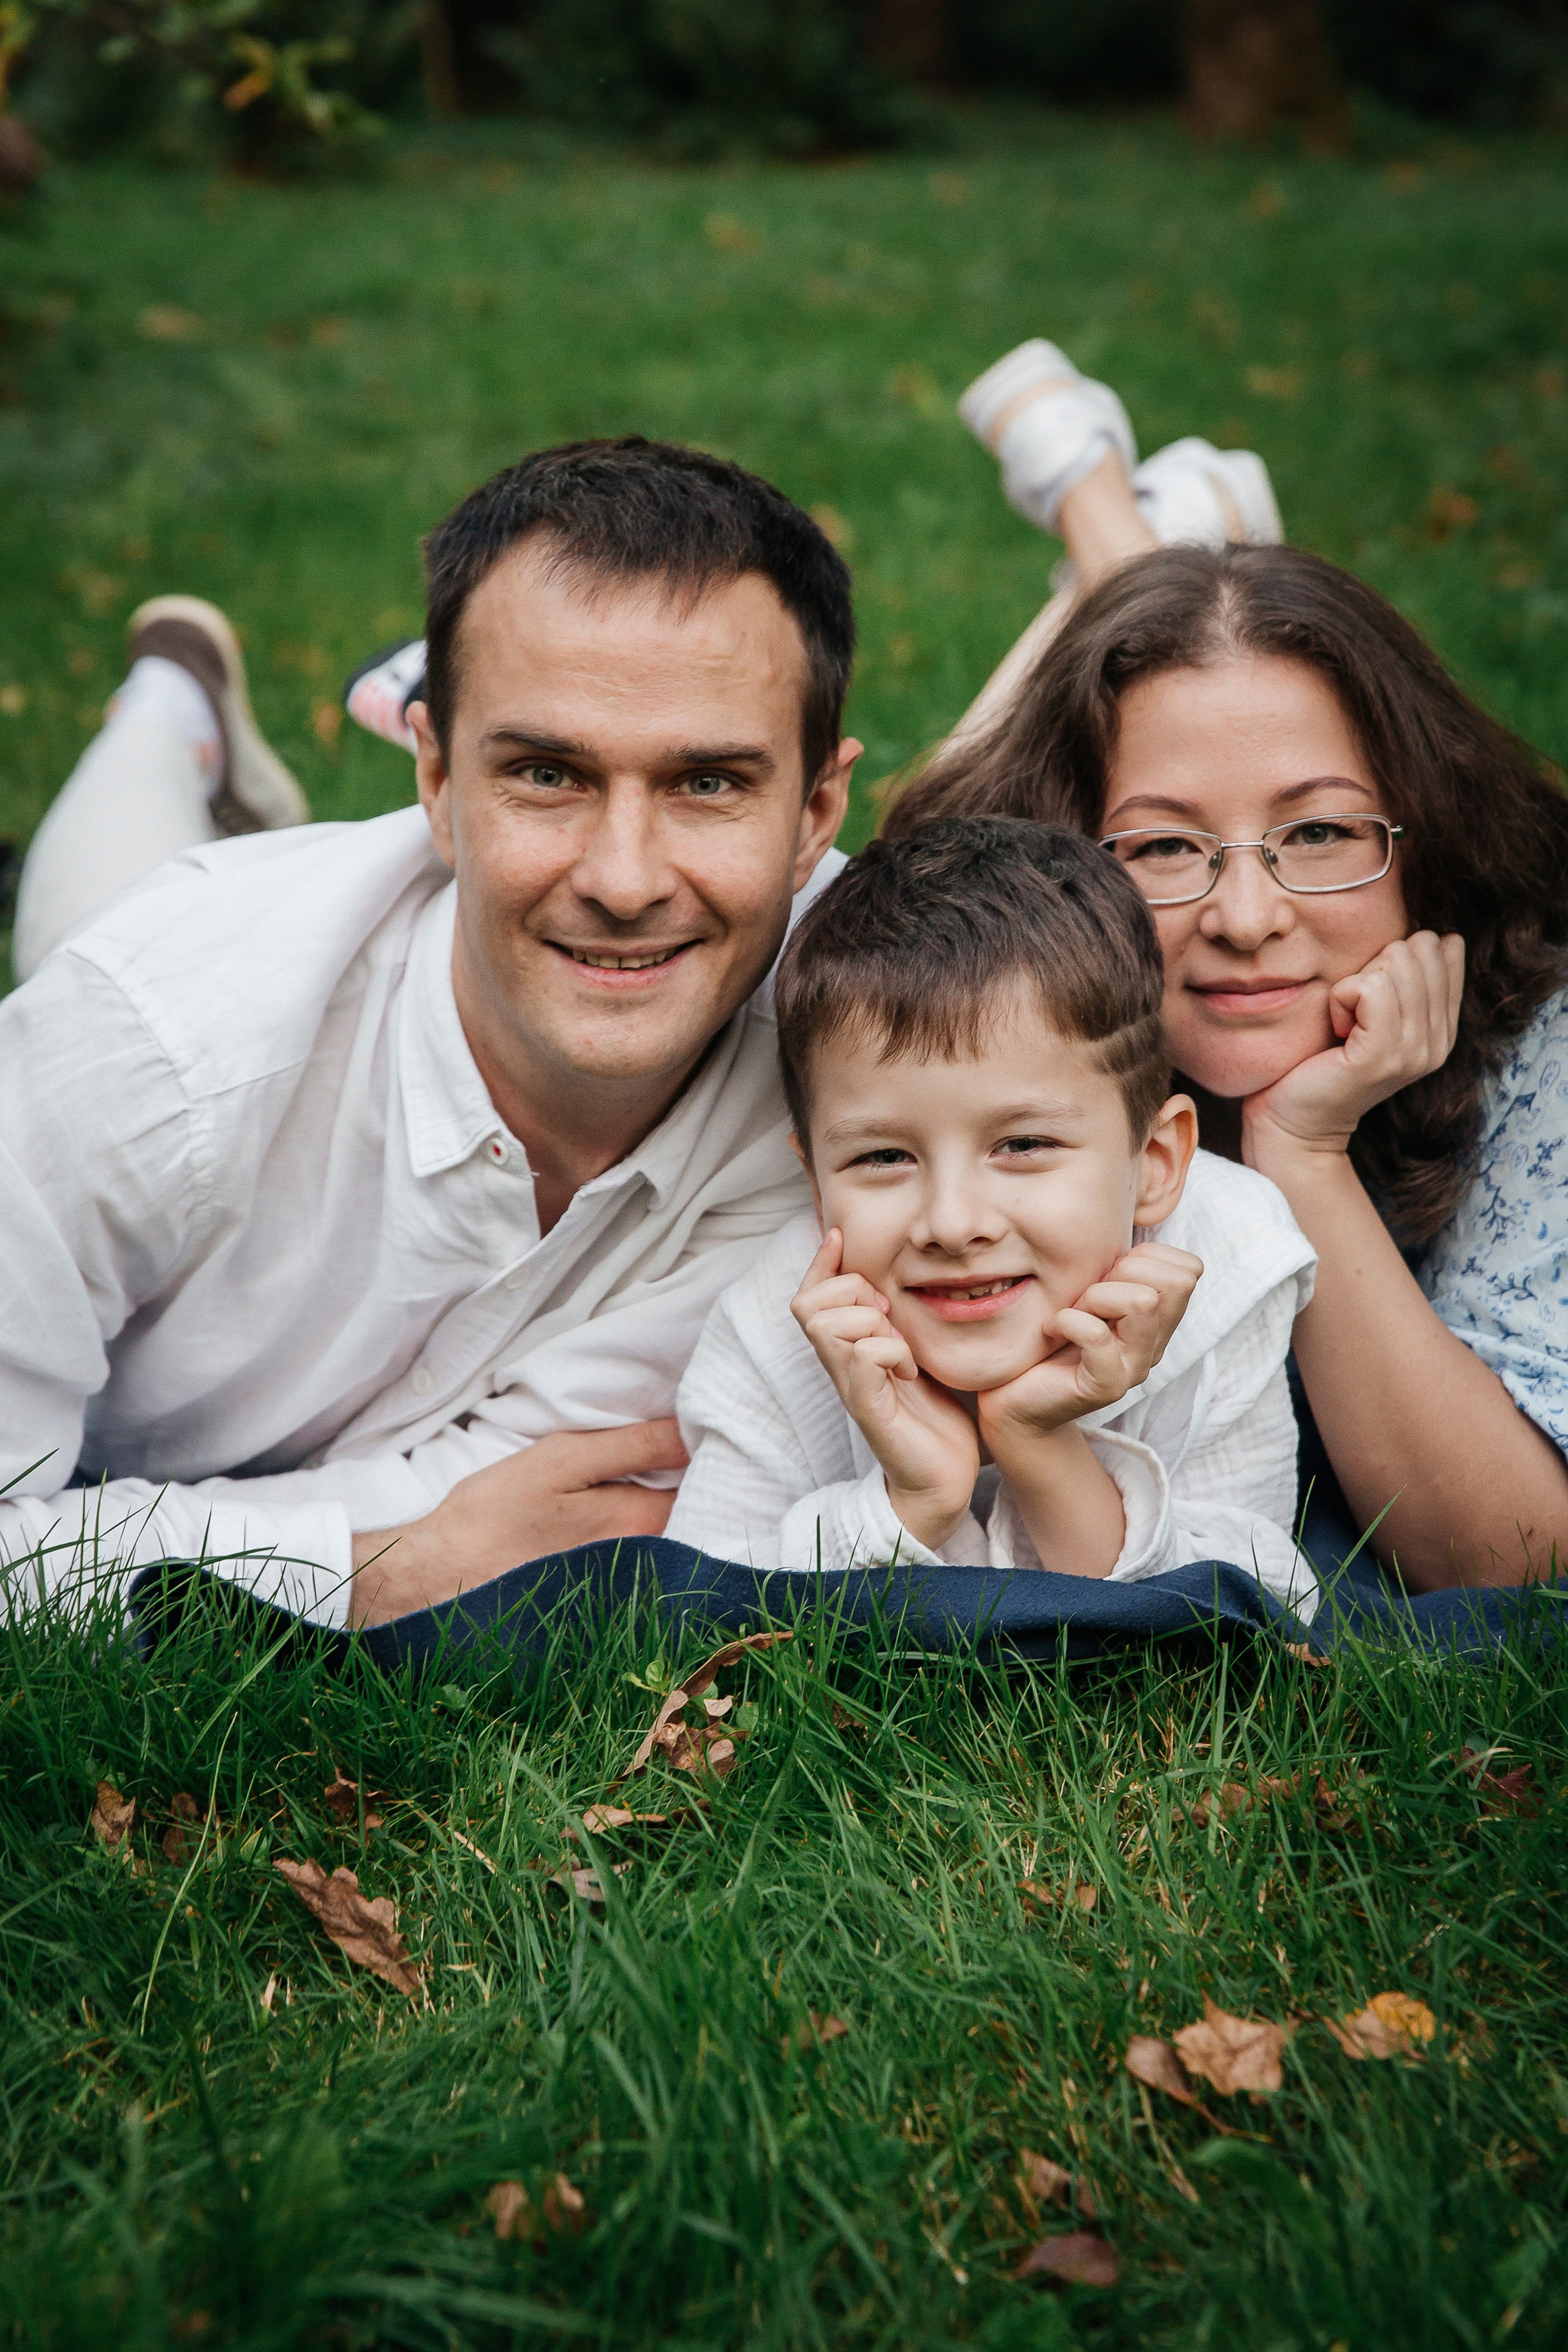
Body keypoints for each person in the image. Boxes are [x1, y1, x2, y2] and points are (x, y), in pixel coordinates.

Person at [0, 439, 861, 1630]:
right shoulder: (144, 1046)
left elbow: (556, 1485)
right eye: (548, 773)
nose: (624, 879)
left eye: (707, 782)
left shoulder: (867, 1057)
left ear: (817, 811)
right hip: (179, 1009)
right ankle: (171, 702)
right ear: (436, 781)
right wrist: (387, 1566)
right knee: (95, 912)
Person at [886, 340, 1568, 1595]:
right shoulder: (994, 997)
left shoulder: (1540, 1032)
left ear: (1425, 837)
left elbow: (1508, 1554)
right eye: (1159, 844)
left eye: (1317, 832)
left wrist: (1299, 1151)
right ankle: (1121, 526)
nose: (1246, 916)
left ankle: (1107, 519)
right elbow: (863, 885)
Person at [664, 819, 1320, 1620]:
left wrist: (1041, 1449)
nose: (952, 1223)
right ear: (816, 1185)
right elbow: (697, 1615)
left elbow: (1261, 1613)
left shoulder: (1228, 1260)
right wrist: (913, 1503)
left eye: (1023, 1144)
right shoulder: (776, 1323)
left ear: (1155, 1163)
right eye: (881, 1158)